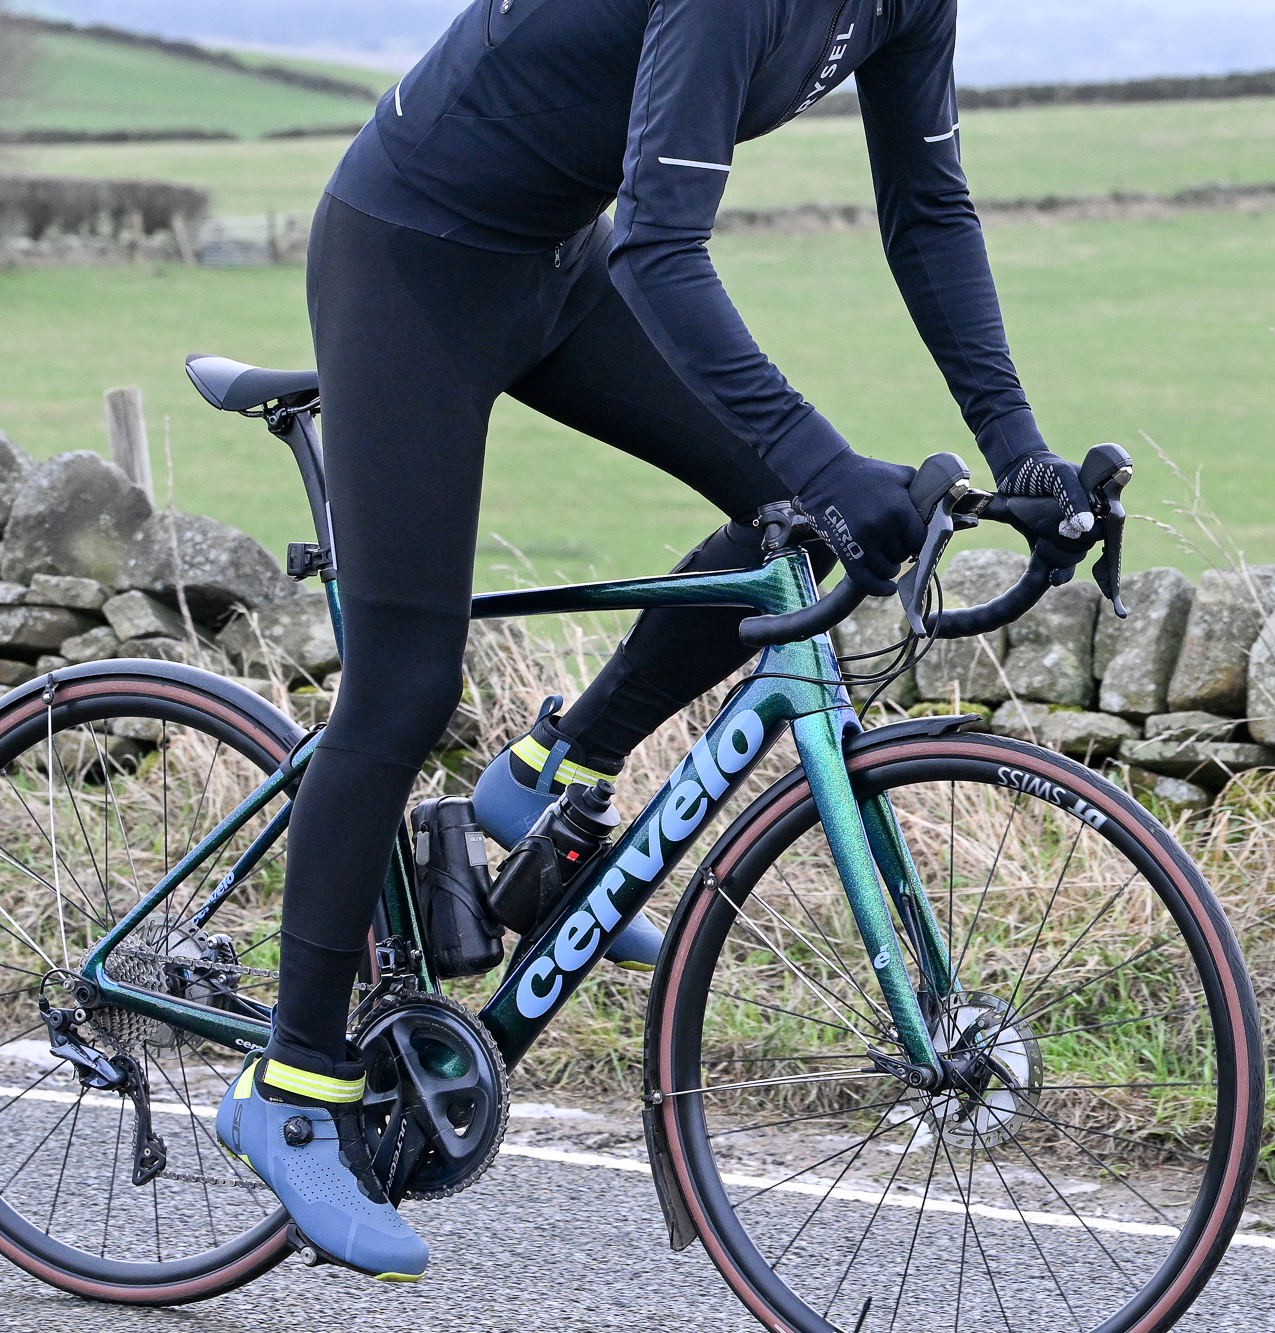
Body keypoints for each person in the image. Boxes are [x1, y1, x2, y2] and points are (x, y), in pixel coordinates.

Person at [217, 0, 1102, 1280]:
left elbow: (927, 210)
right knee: (404, 687)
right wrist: (823, 461)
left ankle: (549, 778)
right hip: (415, 258)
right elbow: (664, 246)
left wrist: (1020, 452)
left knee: (794, 519)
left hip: (558, 264)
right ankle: (294, 1088)